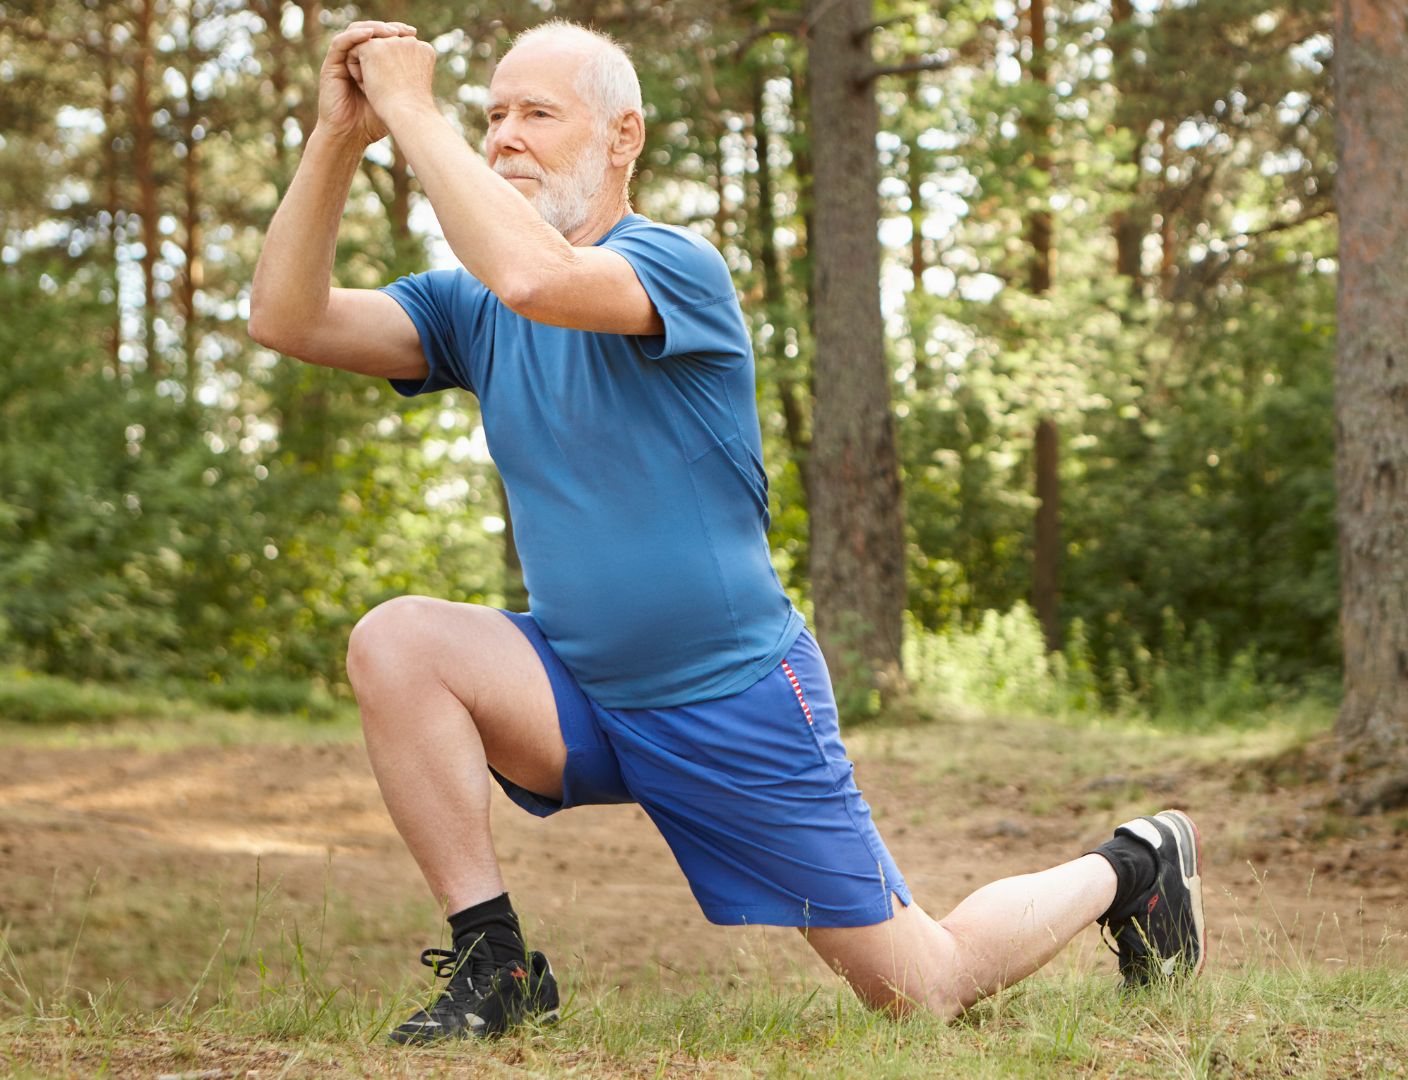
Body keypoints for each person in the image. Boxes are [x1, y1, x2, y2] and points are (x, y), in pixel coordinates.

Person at [247, 17, 1204, 1044]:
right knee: (397, 639)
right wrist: (338, 135)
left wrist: (415, 110)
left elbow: (539, 280)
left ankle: (1133, 865)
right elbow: (287, 319)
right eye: (492, 116)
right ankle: (498, 967)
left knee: (924, 988)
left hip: (732, 699)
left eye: (537, 113)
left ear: (624, 138)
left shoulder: (670, 264)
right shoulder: (470, 307)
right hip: (577, 686)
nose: (504, 137)